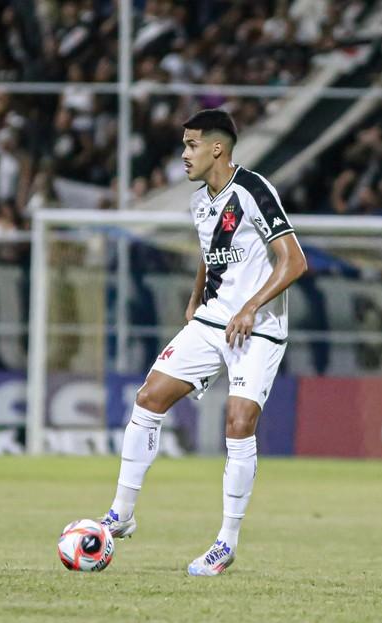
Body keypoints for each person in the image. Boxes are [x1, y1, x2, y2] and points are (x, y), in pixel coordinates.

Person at [100, 109, 307, 576]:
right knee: (149, 397)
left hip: (258, 327)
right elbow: (209, 251)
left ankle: (225, 543)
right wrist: (195, 299)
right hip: (213, 320)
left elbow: (294, 261)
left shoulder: (253, 189)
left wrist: (250, 307)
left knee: (238, 422)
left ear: (217, 148)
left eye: (191, 145)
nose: (184, 154)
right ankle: (122, 513)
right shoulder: (200, 201)